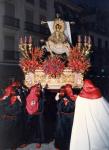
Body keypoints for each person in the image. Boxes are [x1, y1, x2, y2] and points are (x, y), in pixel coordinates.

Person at [70, 79, 109, 150]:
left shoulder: (81, 97)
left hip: (85, 119)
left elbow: (79, 106)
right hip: (97, 118)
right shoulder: (98, 92)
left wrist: (76, 98)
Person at [0, 84, 23, 150]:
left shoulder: (17, 99)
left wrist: (16, 100)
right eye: (11, 90)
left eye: (13, 90)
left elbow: (20, 109)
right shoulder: (3, 100)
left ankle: (13, 147)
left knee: (14, 134)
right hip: (5, 120)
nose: (13, 92)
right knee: (5, 134)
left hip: (15, 119)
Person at [55, 84, 76, 150]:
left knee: (68, 131)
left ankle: (68, 145)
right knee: (62, 131)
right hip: (64, 117)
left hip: (69, 117)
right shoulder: (64, 98)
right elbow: (59, 107)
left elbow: (69, 108)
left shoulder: (73, 97)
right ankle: (61, 145)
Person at [25, 83, 45, 148]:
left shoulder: (41, 97)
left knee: (39, 128)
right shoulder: (29, 97)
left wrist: (39, 112)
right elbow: (27, 106)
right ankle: (28, 140)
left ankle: (38, 141)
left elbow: (43, 107)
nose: (37, 93)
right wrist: (31, 112)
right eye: (36, 91)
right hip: (31, 114)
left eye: (38, 91)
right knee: (29, 127)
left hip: (38, 115)